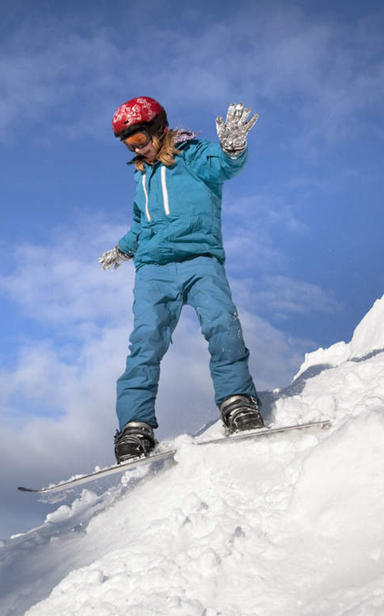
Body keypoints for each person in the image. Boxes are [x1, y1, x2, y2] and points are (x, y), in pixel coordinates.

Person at [100, 96, 264, 463]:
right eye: (129, 145)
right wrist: (123, 249)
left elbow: (223, 166)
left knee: (222, 325)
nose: (136, 149)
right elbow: (140, 223)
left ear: (159, 128)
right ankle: (134, 427)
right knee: (145, 342)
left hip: (200, 259)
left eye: (139, 139)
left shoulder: (193, 154)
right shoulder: (142, 175)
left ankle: (237, 400)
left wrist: (233, 149)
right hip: (154, 269)